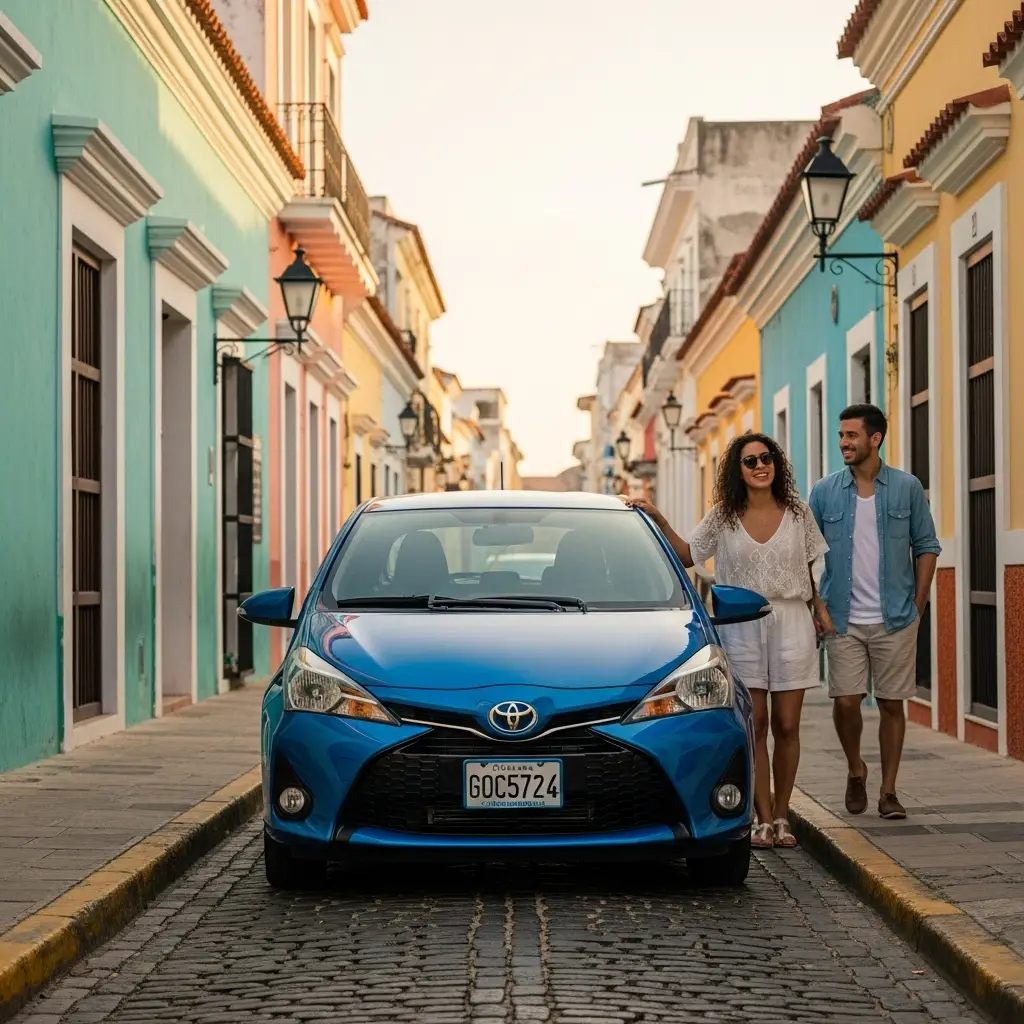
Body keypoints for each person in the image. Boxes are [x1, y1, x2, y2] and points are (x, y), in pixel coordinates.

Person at [626, 433, 829, 850]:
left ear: (776, 463)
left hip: (792, 620)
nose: (760, 466)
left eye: (766, 458)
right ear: (738, 470)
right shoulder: (724, 516)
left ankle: (783, 816)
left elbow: (812, 569)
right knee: (755, 723)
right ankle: (762, 818)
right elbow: (688, 554)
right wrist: (658, 519)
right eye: (750, 461)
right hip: (742, 622)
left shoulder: (798, 512)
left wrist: (821, 611)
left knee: (787, 724)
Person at [809, 404, 940, 820]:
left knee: (891, 705)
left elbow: (927, 546)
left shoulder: (907, 487)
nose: (843, 443)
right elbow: (805, 553)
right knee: (846, 702)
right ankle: (855, 769)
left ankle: (888, 792)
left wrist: (918, 604)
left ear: (875, 438)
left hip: (896, 617)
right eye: (841, 435)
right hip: (842, 618)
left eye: (851, 435)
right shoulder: (824, 492)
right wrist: (818, 605)